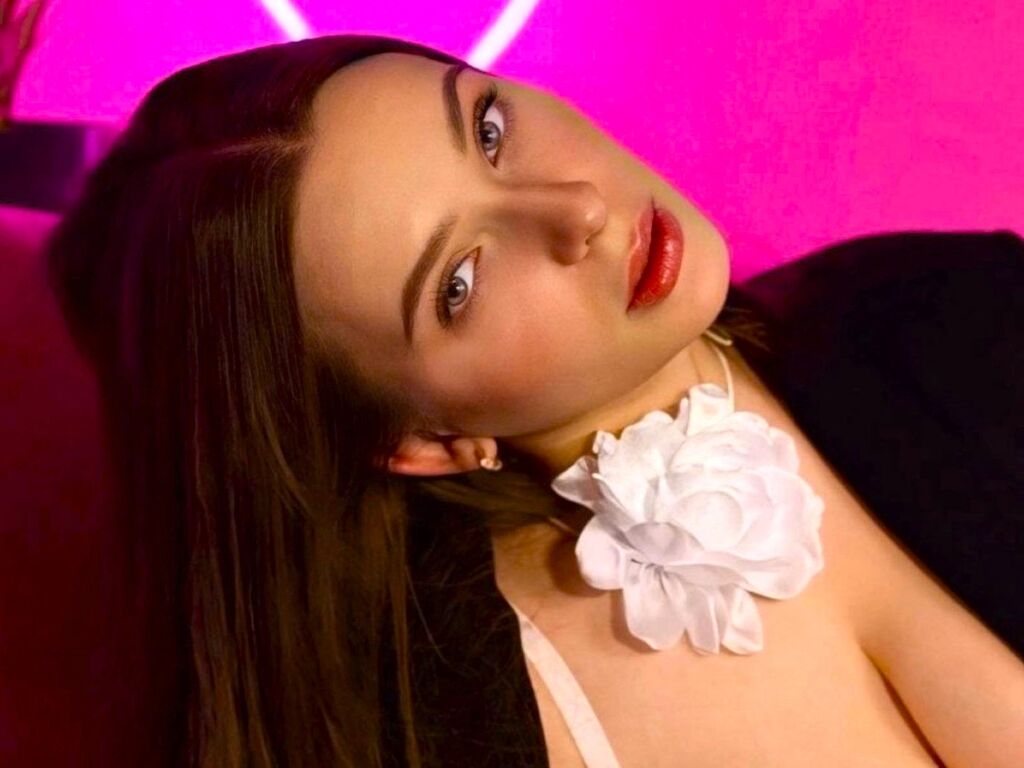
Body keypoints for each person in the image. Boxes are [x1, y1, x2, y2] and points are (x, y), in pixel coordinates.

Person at [41, 33, 1023, 768]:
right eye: (458, 283)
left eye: (488, 128)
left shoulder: (931, 306)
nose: (576, 210)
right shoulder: (455, 724)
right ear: (422, 439)